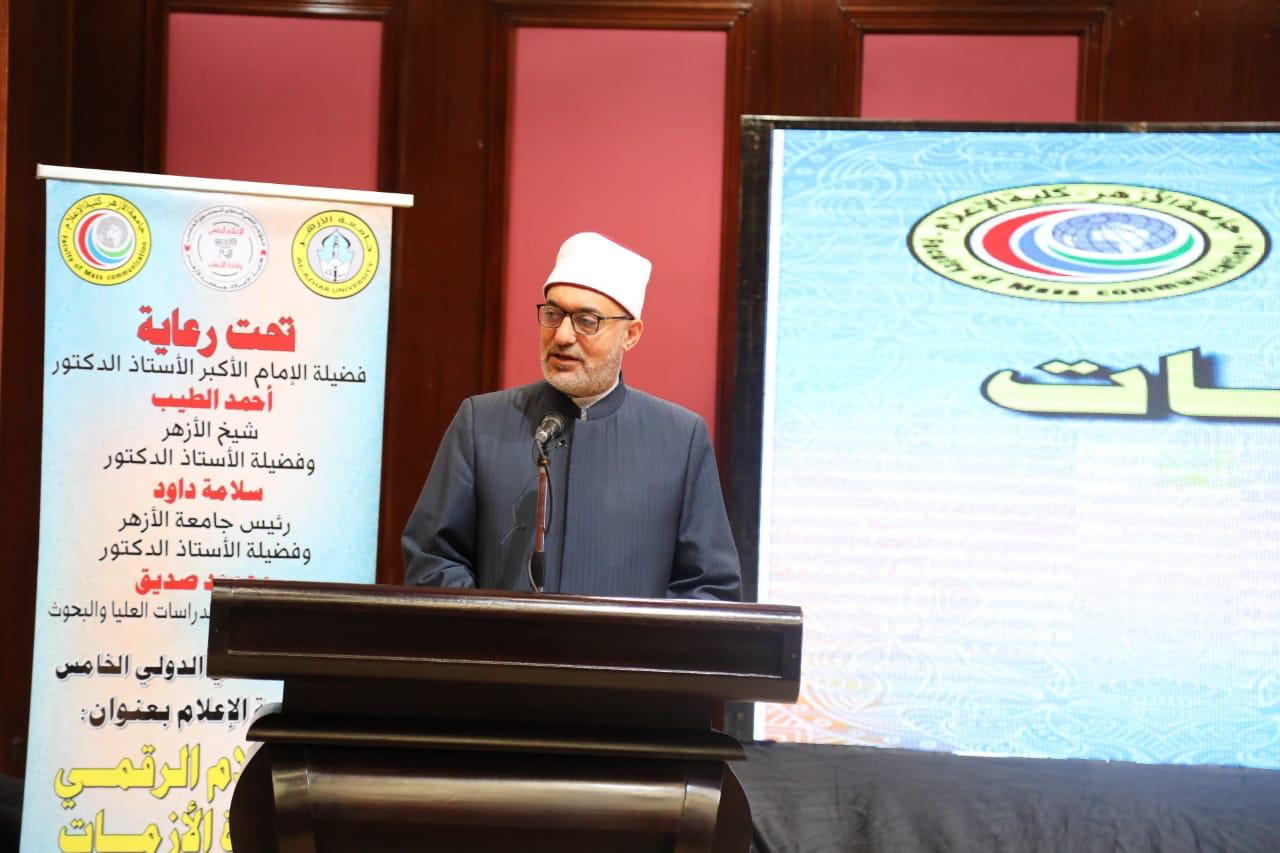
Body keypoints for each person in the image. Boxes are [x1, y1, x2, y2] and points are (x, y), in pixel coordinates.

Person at [402, 232, 741, 600]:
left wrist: (637, 634)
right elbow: (433, 561)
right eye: (553, 314)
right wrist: (492, 628)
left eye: (586, 320)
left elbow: (708, 588)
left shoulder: (680, 439)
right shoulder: (481, 422)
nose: (562, 335)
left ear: (630, 334)